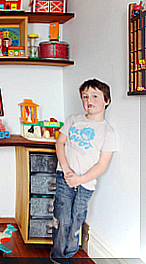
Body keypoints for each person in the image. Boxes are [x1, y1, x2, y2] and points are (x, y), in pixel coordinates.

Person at [50, 79, 117, 264]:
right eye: (85, 96)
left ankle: (70, 250)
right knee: (62, 217)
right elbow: (60, 143)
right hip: (65, 177)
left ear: (106, 101)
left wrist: (80, 179)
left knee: (76, 219)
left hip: (86, 183)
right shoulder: (73, 120)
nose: (89, 100)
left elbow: (102, 165)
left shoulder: (107, 131)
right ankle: (58, 256)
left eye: (95, 96)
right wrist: (65, 169)